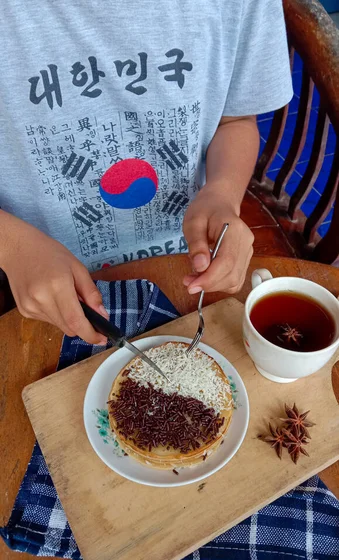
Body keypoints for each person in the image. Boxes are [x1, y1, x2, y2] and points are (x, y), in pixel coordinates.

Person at [0, 0, 293, 344]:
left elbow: (236, 119)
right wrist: (12, 246)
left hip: (187, 261)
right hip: (34, 281)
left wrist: (223, 193)